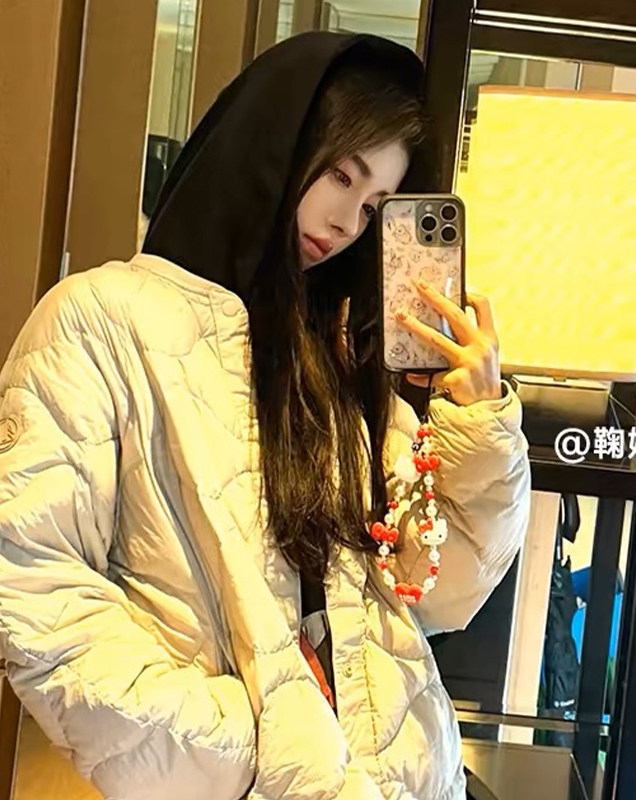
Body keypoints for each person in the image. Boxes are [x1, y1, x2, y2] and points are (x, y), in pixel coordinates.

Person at [0, 32, 530, 800]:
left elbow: (442, 592)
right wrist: (250, 751)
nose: (348, 222)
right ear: (275, 139)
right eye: (341, 175)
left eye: (374, 205)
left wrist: (478, 422)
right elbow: (32, 587)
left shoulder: (333, 354)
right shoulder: (97, 320)